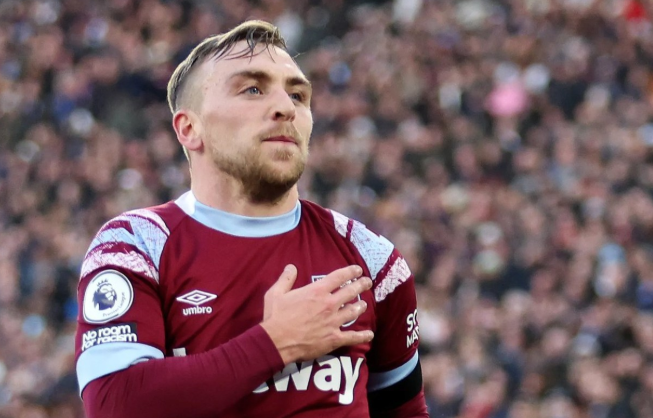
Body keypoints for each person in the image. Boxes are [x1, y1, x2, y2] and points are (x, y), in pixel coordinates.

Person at [75, 20, 428, 418]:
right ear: (189, 128)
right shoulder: (136, 245)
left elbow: (406, 412)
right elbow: (114, 404)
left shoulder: (373, 260)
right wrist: (274, 344)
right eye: (253, 90)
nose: (286, 108)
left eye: (298, 95)